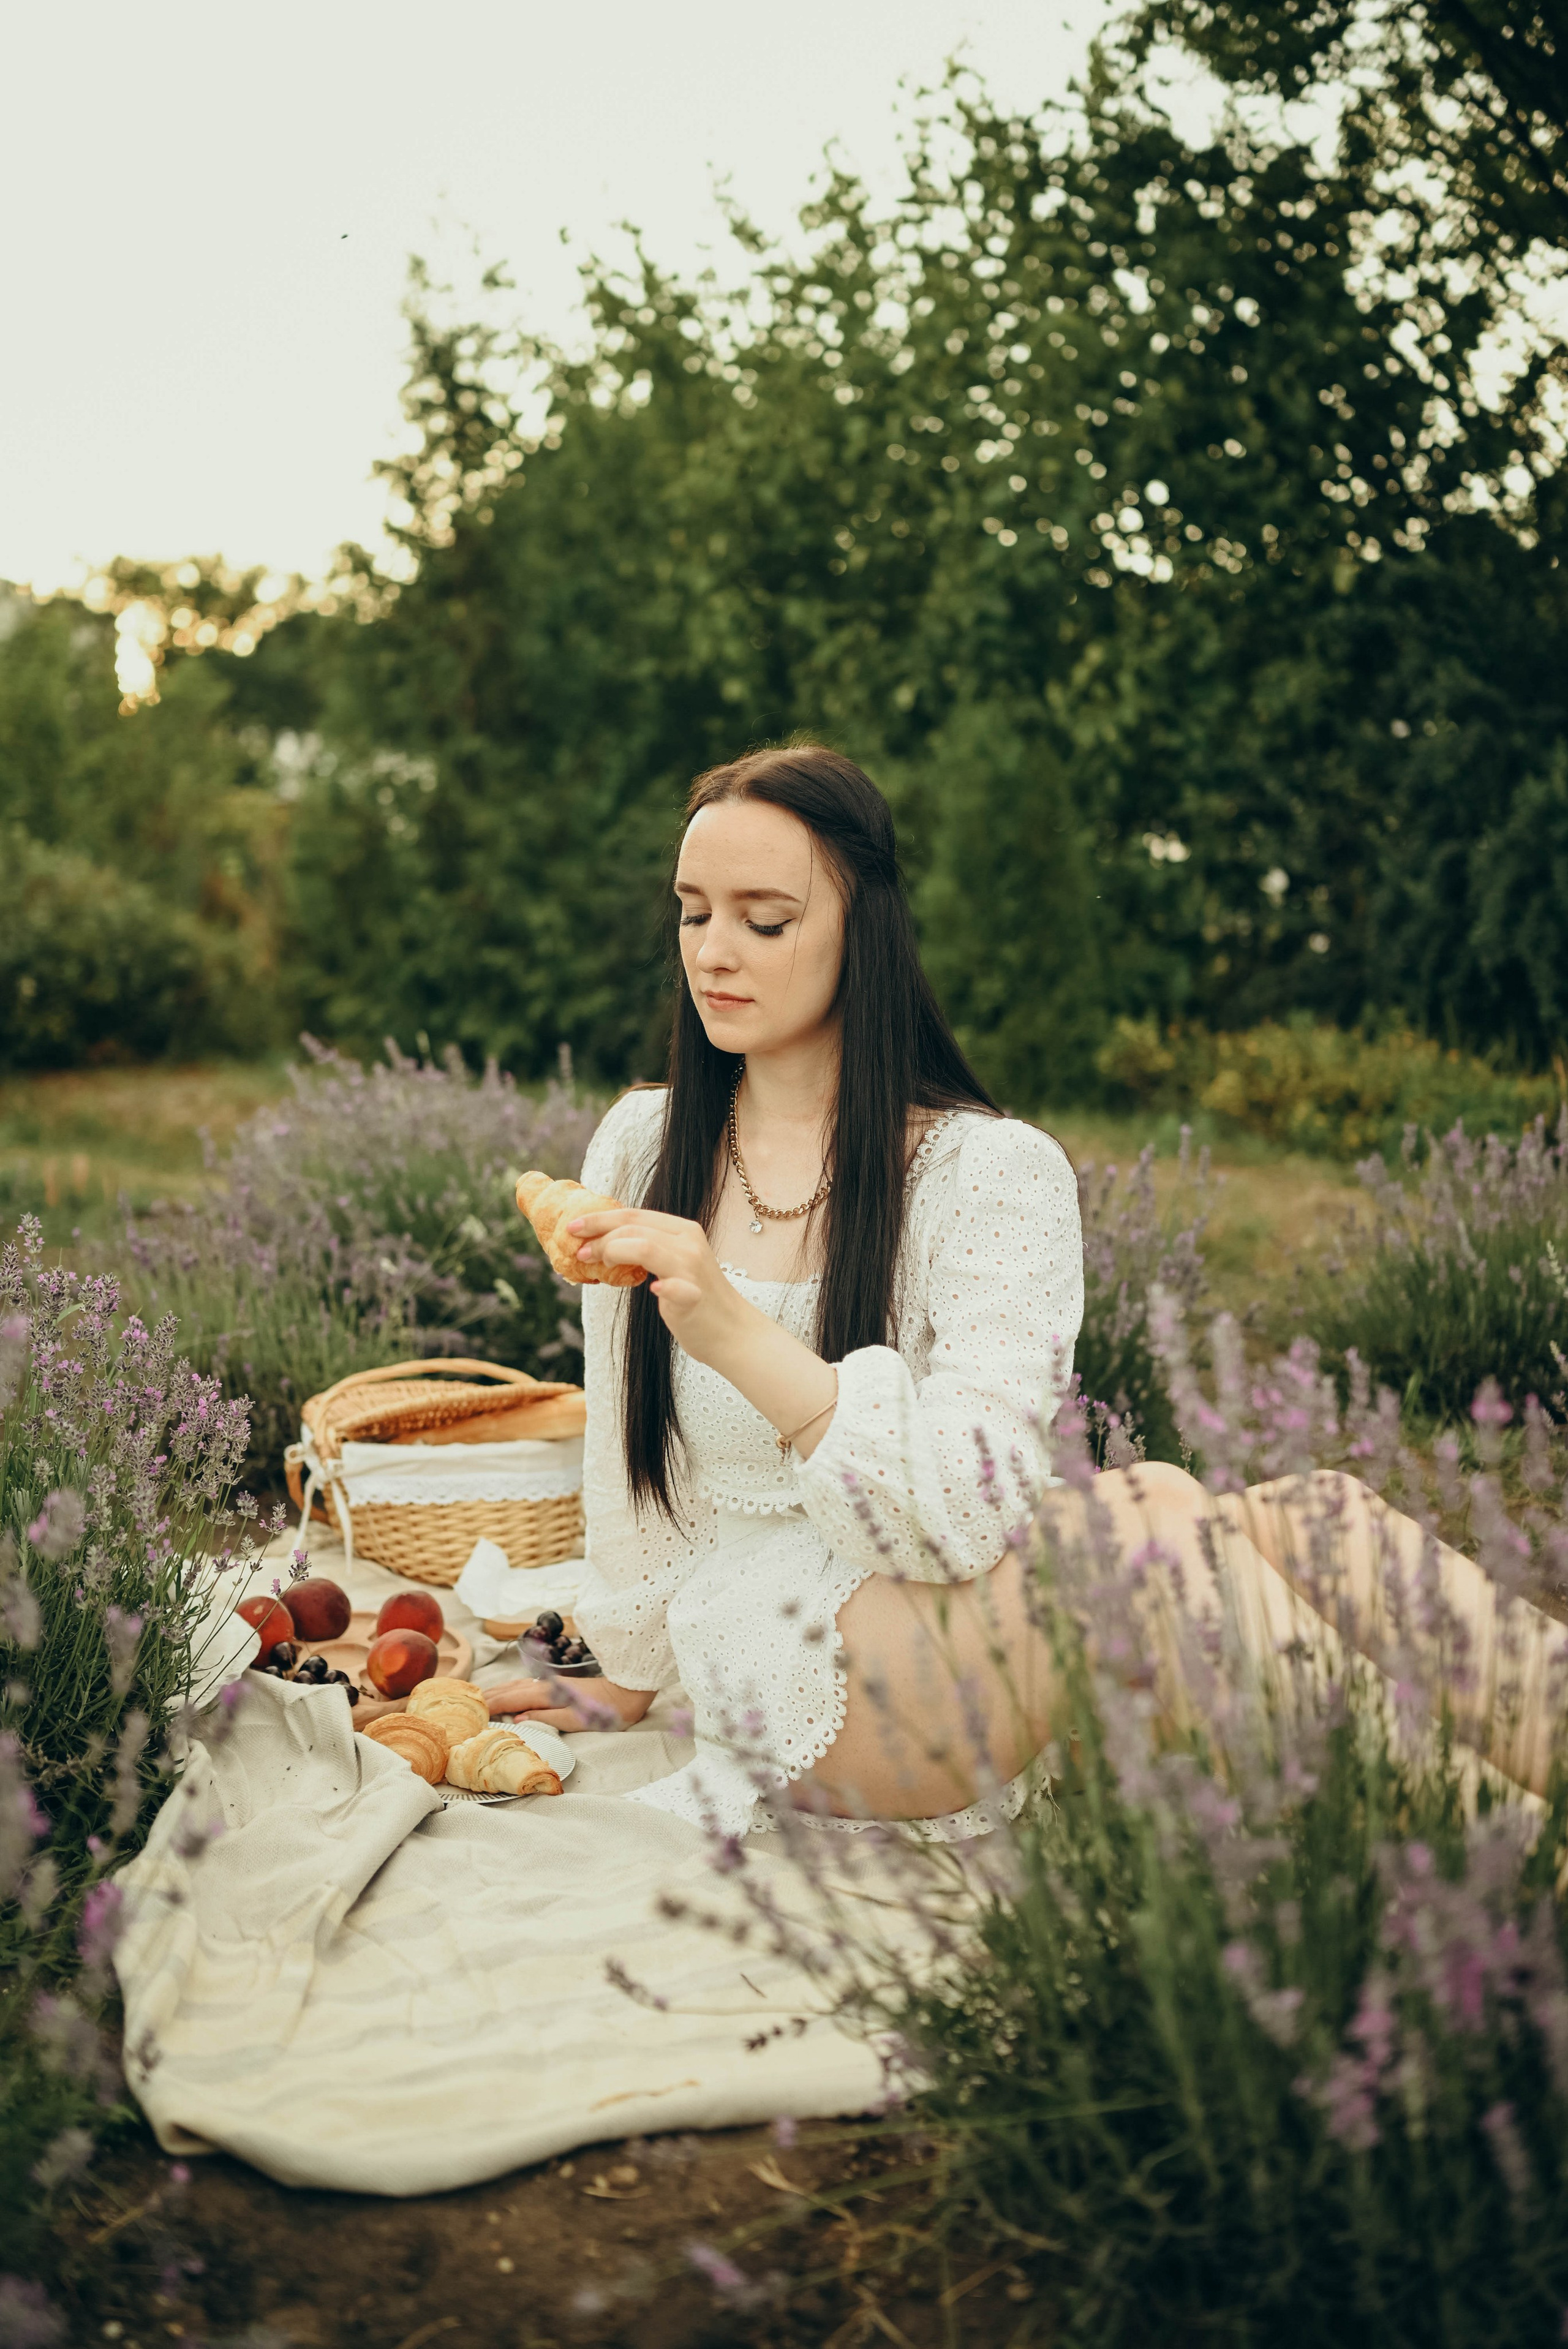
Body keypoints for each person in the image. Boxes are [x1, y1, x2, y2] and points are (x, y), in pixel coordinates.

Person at [485, 744, 1564, 1835]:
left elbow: (960, 1523)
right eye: (693, 913)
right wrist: (623, 1667)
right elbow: (629, 1467)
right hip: (778, 1651)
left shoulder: (991, 1174)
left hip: (944, 1604)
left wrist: (736, 1334)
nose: (714, 953)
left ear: (866, 932)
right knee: (1156, 1517)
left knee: (1315, 1512)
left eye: (765, 921)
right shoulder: (643, 1147)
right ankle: (1497, 1866)